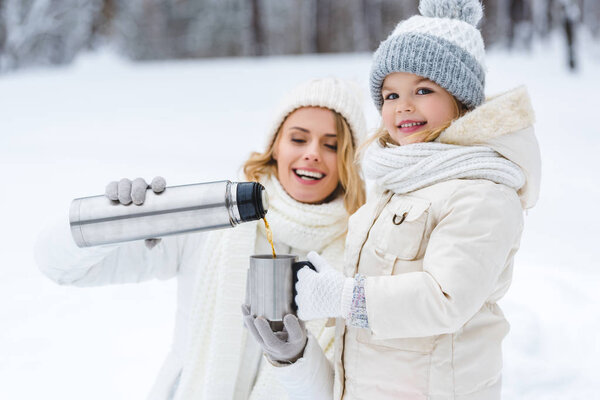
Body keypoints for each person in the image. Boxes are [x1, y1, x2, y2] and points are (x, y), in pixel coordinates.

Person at [247, 1, 542, 399]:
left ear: (461, 99)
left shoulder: (482, 190)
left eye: (423, 90)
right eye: (389, 94)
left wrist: (343, 295)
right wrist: (305, 335)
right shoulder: (400, 183)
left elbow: (445, 298)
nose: (403, 105)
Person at [34, 77, 367, 400]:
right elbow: (58, 267)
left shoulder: (362, 250)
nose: (312, 153)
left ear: (349, 160)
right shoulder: (211, 217)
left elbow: (345, 392)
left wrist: (297, 359)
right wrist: (115, 221)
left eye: (332, 145)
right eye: (298, 138)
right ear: (275, 147)